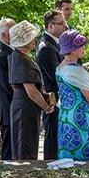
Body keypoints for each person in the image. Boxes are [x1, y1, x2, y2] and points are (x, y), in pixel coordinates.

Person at [8, 21, 55, 160]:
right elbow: (31, 91)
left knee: (26, 142)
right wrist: (46, 107)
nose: (34, 40)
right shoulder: (22, 60)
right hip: (25, 107)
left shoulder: (18, 57)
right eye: (31, 37)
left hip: (23, 106)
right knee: (25, 144)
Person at [56, 30, 89, 160]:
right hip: (81, 116)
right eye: (81, 46)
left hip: (65, 115)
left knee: (68, 151)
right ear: (72, 49)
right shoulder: (76, 71)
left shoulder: (59, 68)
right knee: (84, 153)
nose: (83, 48)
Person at [35, 10, 66, 160]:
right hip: (53, 98)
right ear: (50, 26)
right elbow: (56, 76)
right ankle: (50, 164)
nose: (64, 26)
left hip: (59, 97)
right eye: (61, 23)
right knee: (52, 135)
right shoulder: (45, 47)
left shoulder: (55, 42)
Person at [0, 18, 15, 160]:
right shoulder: (1, 56)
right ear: (4, 35)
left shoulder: (10, 53)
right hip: (9, 108)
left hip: (12, 107)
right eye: (13, 31)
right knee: (8, 148)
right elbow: (7, 86)